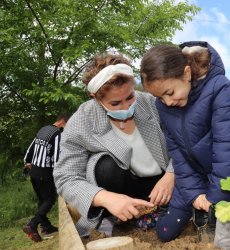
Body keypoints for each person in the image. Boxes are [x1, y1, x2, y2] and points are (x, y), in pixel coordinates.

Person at [140, 41, 230, 242]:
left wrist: (215, 197)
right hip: (197, 179)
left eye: (169, 93)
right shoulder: (164, 107)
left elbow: (228, 149)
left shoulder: (219, 87)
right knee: (165, 232)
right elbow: (177, 155)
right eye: (160, 97)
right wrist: (195, 195)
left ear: (186, 73)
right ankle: (200, 211)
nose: (167, 102)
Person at [53, 52, 174, 237]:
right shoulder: (81, 122)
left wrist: (172, 174)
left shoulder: (151, 103)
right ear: (95, 97)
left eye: (130, 97)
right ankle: (111, 217)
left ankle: (159, 210)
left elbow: (184, 143)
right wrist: (106, 198)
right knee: (105, 166)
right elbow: (66, 177)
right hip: (120, 191)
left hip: (161, 185)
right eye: (116, 103)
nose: (126, 107)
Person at [23, 114, 69, 242]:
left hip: (34, 171)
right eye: (67, 125)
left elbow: (30, 150)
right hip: (45, 172)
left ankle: (46, 227)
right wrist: (60, 175)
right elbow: (57, 159)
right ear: (62, 122)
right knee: (49, 199)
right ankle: (32, 224)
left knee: (42, 200)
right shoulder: (57, 134)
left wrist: (27, 162)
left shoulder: (43, 129)